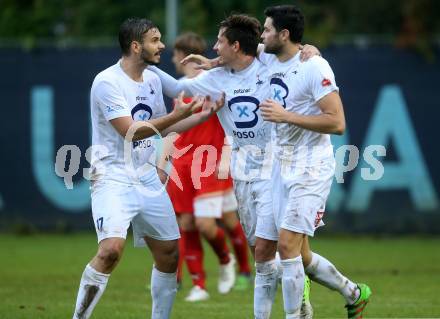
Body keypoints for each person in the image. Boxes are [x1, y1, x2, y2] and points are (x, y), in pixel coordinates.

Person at [149, 14, 318, 319]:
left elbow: (294, 53)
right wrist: (141, 63)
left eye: (220, 41)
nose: (214, 47)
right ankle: (345, 289)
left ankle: (293, 306)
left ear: (236, 46)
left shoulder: (268, 62)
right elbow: (176, 88)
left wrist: (311, 50)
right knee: (263, 252)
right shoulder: (215, 79)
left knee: (273, 249)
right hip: (243, 173)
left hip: (275, 168)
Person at [71, 18, 223, 319]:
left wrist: (204, 114)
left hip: (147, 178)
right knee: (111, 250)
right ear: (135, 46)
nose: (162, 46)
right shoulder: (107, 82)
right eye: (155, 40)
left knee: (168, 255)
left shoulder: (152, 76)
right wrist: (178, 113)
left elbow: (168, 121)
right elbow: (132, 131)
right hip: (112, 176)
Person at [258, 5, 372, 318]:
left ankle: (298, 314)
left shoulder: (315, 66)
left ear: (283, 34)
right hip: (280, 166)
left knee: (286, 248)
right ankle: (354, 293)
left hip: (310, 167)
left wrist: (285, 116)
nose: (262, 35)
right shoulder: (269, 56)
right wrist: (209, 60)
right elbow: (235, 48)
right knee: (300, 253)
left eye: (267, 29)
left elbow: (337, 123)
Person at [163, 32, 252, 302]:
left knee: (213, 222)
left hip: (211, 163)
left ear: (181, 55)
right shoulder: (180, 89)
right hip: (183, 165)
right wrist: (162, 160)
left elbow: (230, 120)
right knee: (187, 222)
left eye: (175, 54)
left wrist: (226, 156)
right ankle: (199, 284)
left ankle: (235, 265)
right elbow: (171, 129)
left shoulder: (215, 82)